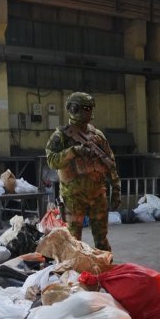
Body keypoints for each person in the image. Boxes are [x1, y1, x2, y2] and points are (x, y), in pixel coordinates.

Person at [45, 92, 121, 251]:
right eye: (85, 108)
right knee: (73, 242)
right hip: (73, 197)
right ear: (74, 109)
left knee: (102, 240)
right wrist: (74, 151)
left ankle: (105, 271)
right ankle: (74, 274)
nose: (88, 112)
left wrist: (116, 190)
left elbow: (110, 163)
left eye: (90, 108)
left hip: (98, 194)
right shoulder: (61, 136)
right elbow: (52, 161)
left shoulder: (97, 136)